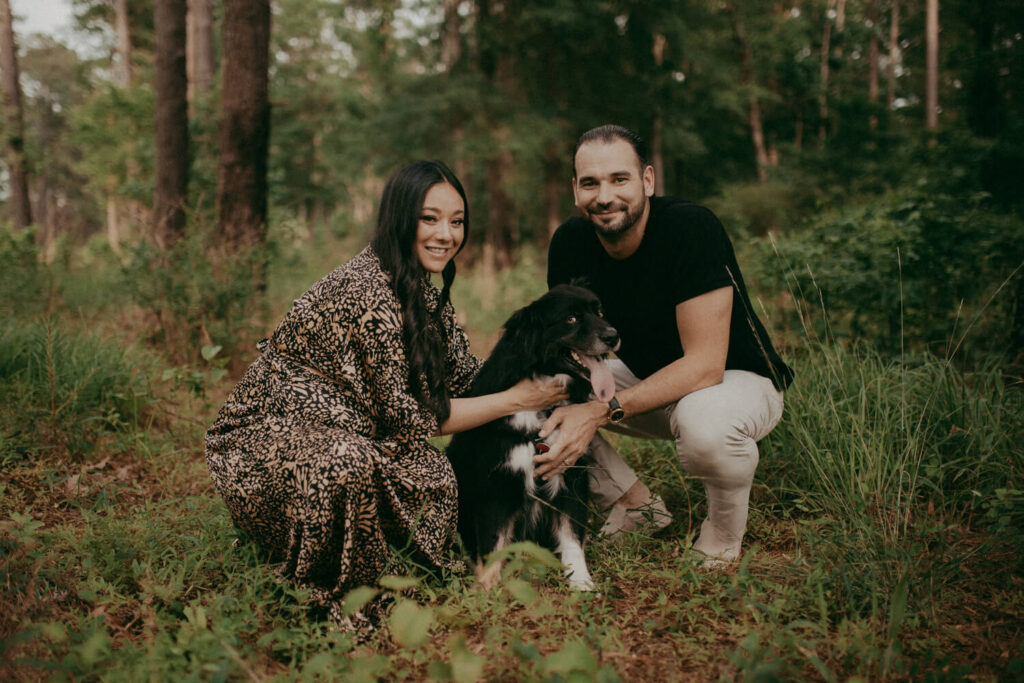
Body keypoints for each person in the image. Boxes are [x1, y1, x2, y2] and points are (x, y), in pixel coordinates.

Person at [205, 160, 567, 623]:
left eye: (457, 221)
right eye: (429, 218)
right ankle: (326, 583)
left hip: (347, 432)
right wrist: (519, 400)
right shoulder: (368, 292)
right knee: (350, 462)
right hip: (262, 442)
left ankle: (388, 562)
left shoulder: (421, 289)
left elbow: (468, 381)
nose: (446, 234)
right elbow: (417, 420)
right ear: (400, 217)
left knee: (435, 471)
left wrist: (542, 358)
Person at [536, 125, 794, 566]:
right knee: (534, 391)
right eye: (591, 183)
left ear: (648, 182)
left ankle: (722, 535)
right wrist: (568, 383)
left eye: (620, 179)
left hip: (738, 380)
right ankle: (634, 505)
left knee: (705, 423)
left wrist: (599, 409)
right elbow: (565, 340)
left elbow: (706, 366)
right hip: (651, 379)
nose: (605, 196)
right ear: (575, 190)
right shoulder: (570, 243)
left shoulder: (690, 228)